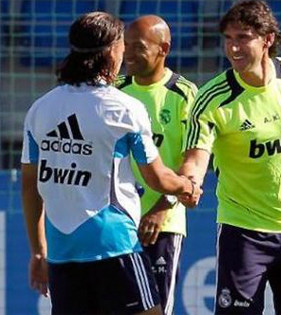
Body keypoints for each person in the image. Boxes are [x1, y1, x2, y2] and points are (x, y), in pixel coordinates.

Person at [20, 12, 200, 315]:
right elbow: (156, 178)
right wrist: (186, 185)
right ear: (109, 52)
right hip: (114, 244)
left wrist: (39, 251)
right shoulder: (125, 108)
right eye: (121, 45)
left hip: (62, 250)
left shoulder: (41, 108)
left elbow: (29, 186)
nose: (125, 53)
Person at [179, 1, 281, 313]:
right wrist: (190, 182)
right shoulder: (212, 98)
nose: (233, 47)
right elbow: (196, 157)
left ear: (267, 39)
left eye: (242, 38)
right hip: (243, 234)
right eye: (228, 38)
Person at [117, 15, 198, 315]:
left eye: (137, 47)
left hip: (162, 225)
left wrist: (164, 206)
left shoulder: (185, 95)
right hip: (118, 224)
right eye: (124, 46)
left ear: (163, 49)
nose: (128, 54)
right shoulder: (116, 90)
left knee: (155, 309)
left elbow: (194, 162)